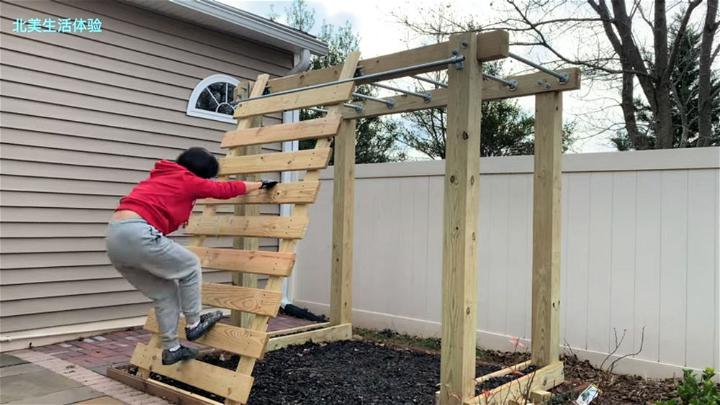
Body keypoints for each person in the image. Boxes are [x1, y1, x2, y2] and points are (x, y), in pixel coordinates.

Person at [105, 147, 276, 365]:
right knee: (191, 265)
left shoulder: (163, 176)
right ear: (199, 172)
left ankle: (172, 348)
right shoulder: (185, 178)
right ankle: (194, 324)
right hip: (137, 231)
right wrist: (260, 184)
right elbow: (224, 189)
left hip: (115, 238)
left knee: (165, 294)